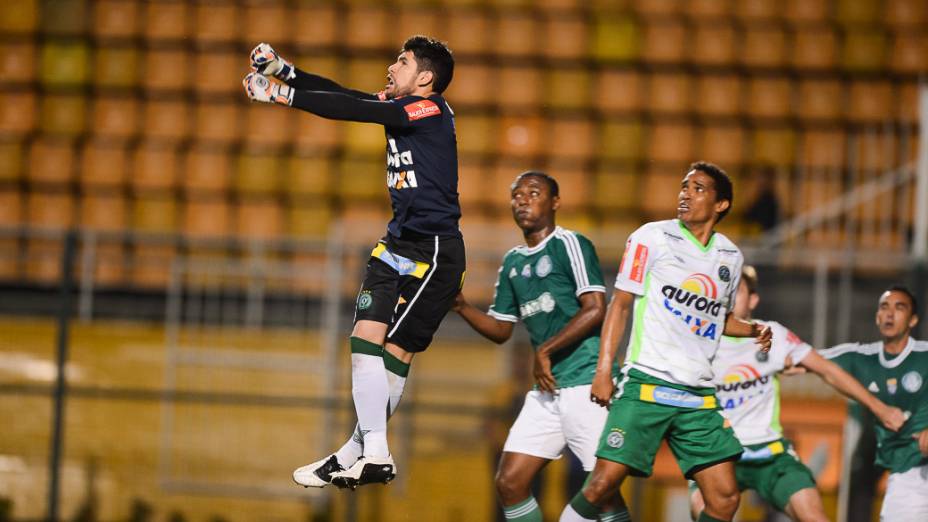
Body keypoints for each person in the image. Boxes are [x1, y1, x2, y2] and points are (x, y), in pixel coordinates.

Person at [243, 36, 465, 489]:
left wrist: (283, 97)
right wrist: (286, 71)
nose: (390, 67)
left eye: (400, 62)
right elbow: (344, 95)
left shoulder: (431, 109)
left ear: (425, 78)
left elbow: (359, 112)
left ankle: (363, 453)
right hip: (397, 242)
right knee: (365, 341)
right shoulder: (404, 105)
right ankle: (365, 454)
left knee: (394, 355)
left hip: (436, 252)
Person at [559, 161, 773, 522]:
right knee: (601, 485)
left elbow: (717, 319)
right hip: (647, 384)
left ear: (721, 204)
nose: (685, 194)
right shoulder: (651, 237)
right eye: (684, 187)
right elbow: (621, 304)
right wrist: (603, 371)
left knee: (724, 499)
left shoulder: (730, 257)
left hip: (698, 396)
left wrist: (753, 329)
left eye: (698, 189)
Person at [453, 172, 629, 522]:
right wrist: (459, 306)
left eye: (534, 193)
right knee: (510, 482)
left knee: (603, 491)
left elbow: (596, 308)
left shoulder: (571, 244)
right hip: (547, 390)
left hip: (585, 383)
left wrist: (545, 351)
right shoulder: (513, 263)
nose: (523, 200)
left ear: (555, 202)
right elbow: (502, 329)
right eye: (517, 195)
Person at [688, 266, 906, 521]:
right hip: (717, 453)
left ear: (754, 300)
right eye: (725, 291)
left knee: (813, 515)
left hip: (769, 453)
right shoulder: (698, 341)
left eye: (738, 291)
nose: (729, 297)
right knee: (703, 512)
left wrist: (879, 408)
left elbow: (828, 371)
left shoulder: (772, 336)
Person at [819, 286, 928, 521]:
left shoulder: (925, 355)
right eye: (884, 307)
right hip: (910, 474)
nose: (890, 314)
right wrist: (761, 344)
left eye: (899, 308)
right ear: (877, 316)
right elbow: (803, 359)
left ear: (913, 320)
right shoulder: (861, 357)